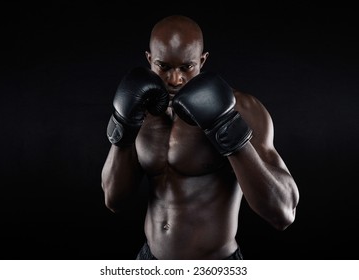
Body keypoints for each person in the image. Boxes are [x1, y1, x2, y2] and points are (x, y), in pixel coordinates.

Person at [101, 14, 299, 260]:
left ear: (202, 60)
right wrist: (124, 125)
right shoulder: (140, 109)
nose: (175, 79)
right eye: (164, 66)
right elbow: (114, 200)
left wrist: (228, 130)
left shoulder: (243, 108)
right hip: (150, 259)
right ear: (149, 59)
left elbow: (283, 212)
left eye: (187, 67)